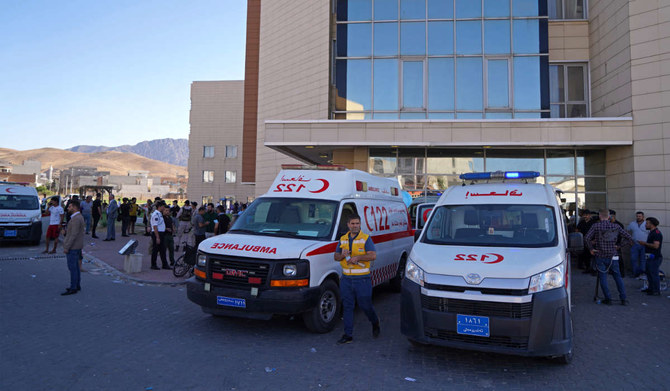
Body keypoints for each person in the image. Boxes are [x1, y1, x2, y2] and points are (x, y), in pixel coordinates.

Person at [333, 214, 380, 344]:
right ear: (348, 225)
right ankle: (348, 335)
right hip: (346, 279)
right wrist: (342, 255)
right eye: (353, 223)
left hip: (362, 279)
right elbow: (335, 256)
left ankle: (375, 322)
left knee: (365, 305)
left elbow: (373, 255)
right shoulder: (343, 239)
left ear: (360, 224)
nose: (355, 226)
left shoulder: (365, 238)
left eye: (357, 223)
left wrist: (358, 258)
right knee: (347, 307)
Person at [585, 209, 634, 305]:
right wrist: (619, 246)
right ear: (609, 216)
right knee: (617, 277)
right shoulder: (616, 226)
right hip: (613, 255)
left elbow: (586, 238)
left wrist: (591, 249)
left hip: (600, 254)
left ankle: (608, 298)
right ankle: (623, 299)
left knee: (603, 277)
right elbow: (629, 238)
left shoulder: (596, 226)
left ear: (600, 216)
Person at [61, 199, 84, 296]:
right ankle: (76, 284)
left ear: (74, 207)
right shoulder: (77, 217)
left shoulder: (76, 219)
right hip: (77, 246)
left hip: (73, 247)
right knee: (76, 267)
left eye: (70, 206)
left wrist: (67, 247)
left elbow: (74, 235)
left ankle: (73, 287)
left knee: (73, 268)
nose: (68, 208)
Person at [639, 217, 663, 296]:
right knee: (649, 273)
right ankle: (651, 288)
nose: (645, 225)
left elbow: (656, 246)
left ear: (652, 224)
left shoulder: (656, 233)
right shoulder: (651, 232)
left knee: (654, 274)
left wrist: (644, 243)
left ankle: (656, 290)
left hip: (655, 257)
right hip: (650, 257)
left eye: (647, 223)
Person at [627, 211, 649, 278]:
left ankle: (642, 274)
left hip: (645, 245)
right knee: (634, 259)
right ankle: (635, 274)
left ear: (643, 217)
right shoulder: (632, 224)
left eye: (640, 216)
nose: (638, 217)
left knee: (643, 260)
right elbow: (627, 232)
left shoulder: (647, 224)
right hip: (635, 244)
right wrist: (630, 241)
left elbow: (650, 234)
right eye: (637, 216)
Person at [150, 201, 170, 270]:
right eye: (163, 206)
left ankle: (164, 264)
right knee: (155, 249)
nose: (164, 208)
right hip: (157, 233)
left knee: (163, 250)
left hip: (161, 233)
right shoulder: (156, 214)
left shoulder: (159, 214)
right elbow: (155, 226)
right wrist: (157, 237)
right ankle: (153, 264)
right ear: (160, 207)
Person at [609, 209, 628, 277]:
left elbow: (624, 236)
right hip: (609, 243)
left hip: (616, 243)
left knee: (618, 258)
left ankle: (621, 273)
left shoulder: (619, 224)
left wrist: (619, 245)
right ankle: (612, 271)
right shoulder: (608, 223)